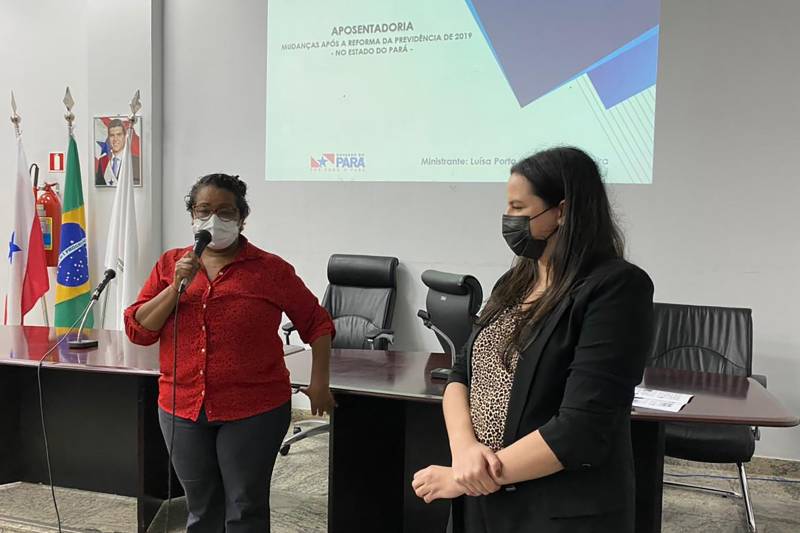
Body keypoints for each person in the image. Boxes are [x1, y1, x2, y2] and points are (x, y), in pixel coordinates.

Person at [412, 147, 654, 532]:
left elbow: (582, 429)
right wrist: (465, 452)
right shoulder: (513, 282)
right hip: (483, 500)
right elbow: (462, 374)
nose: (509, 219)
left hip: (555, 511)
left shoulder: (616, 288)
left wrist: (463, 478)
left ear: (562, 211)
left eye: (519, 208)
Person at [124, 173, 335, 532]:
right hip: (182, 408)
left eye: (225, 212)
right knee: (200, 508)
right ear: (192, 215)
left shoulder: (270, 270)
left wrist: (320, 383)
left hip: (254, 409)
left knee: (244, 507)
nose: (213, 220)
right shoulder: (170, 265)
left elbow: (317, 323)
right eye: (204, 210)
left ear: (241, 218)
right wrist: (175, 288)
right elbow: (139, 330)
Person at [95, 118, 141, 186]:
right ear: (108, 138)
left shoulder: (136, 162)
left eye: (119, 135)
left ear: (125, 137)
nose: (115, 139)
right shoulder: (103, 162)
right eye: (112, 135)